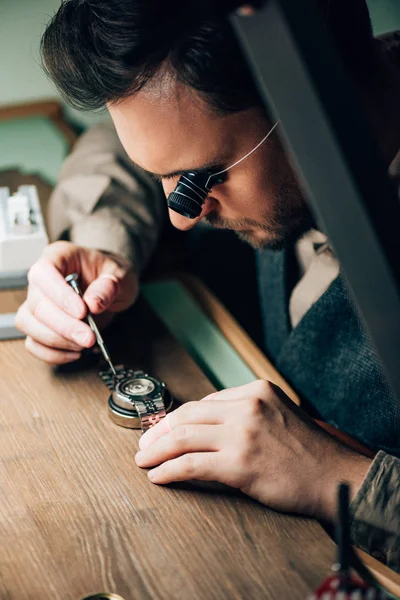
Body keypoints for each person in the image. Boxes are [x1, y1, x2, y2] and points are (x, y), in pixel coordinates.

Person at [15, 0, 400, 571]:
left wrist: (334, 476)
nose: (180, 214)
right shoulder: (252, 114)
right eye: (160, 178)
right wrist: (104, 245)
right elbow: (107, 145)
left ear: (308, 102)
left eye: (197, 179)